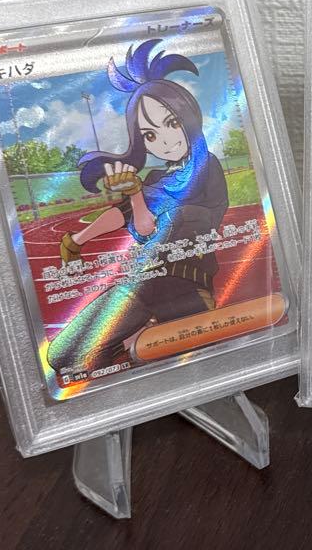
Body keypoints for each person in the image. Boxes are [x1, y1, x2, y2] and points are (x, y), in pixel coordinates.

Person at [47, 39, 228, 378]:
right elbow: (142, 227)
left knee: (193, 363)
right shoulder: (157, 179)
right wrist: (132, 196)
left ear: (188, 117)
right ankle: (134, 348)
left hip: (189, 288)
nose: (165, 141)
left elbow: (183, 224)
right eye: (149, 135)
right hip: (143, 284)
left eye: (172, 123)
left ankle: (144, 340)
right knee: (64, 356)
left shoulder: (207, 169)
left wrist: (146, 202)